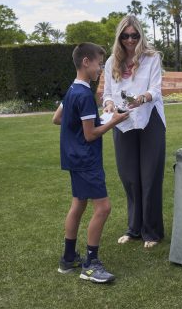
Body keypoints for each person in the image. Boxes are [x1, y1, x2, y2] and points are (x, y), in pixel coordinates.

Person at [53, 42, 129, 283]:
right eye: (98, 64)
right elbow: (90, 134)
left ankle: (68, 259)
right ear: (86, 62)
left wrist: (97, 118)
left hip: (73, 158)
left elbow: (58, 118)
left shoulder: (72, 90)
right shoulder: (85, 94)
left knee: (79, 205)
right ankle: (90, 264)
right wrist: (114, 121)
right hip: (86, 159)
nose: (100, 70)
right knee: (103, 208)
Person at [102, 15, 166, 249]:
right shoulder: (111, 62)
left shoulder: (152, 58)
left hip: (149, 119)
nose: (130, 40)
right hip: (122, 121)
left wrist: (142, 98)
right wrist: (108, 103)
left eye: (134, 35)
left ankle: (152, 231)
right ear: (119, 37)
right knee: (129, 177)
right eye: (126, 36)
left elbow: (156, 90)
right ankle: (134, 228)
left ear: (141, 35)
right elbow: (107, 92)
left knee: (150, 176)